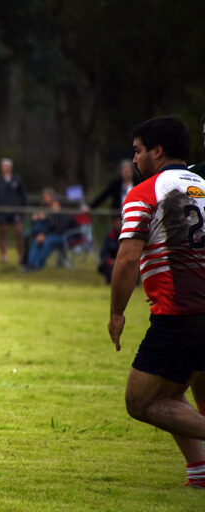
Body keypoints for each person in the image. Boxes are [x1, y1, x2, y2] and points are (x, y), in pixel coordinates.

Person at [108, 116, 205, 489]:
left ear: (157, 151)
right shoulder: (201, 185)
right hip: (200, 310)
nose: (134, 160)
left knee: (140, 401)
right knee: (174, 393)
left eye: (138, 151)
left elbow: (128, 258)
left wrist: (117, 313)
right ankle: (199, 471)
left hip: (179, 314)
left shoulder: (146, 192)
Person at [26, 187, 77, 271]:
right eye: (53, 205)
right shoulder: (53, 214)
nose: (53, 206)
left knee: (49, 240)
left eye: (55, 204)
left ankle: (38, 265)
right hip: (56, 236)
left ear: (59, 204)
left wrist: (46, 236)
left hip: (68, 236)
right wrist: (43, 235)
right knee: (38, 239)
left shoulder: (66, 214)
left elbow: (61, 229)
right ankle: (31, 264)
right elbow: (50, 228)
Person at [0, 157, 27, 264]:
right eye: (3, 166)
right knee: (2, 233)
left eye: (6, 166)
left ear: (10, 167)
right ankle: (3, 256)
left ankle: (21, 255)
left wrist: (24, 209)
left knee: (19, 232)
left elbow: (23, 195)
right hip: (2, 211)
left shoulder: (17, 179)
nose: (4, 168)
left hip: (15, 211)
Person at [97, 217, 121, 284]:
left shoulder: (125, 237)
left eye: (119, 222)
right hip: (112, 263)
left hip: (123, 261)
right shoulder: (109, 237)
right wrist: (110, 261)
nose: (118, 224)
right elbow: (103, 253)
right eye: (116, 222)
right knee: (109, 267)